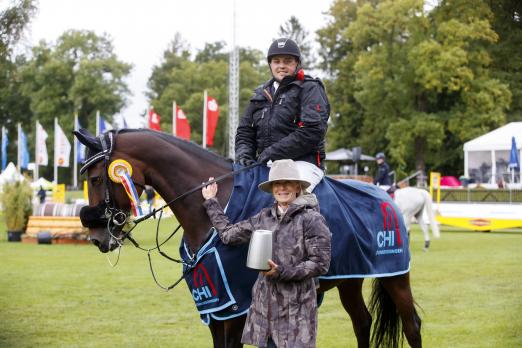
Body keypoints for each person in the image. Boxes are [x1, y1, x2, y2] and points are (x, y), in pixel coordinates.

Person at [202, 159, 331, 348]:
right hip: (265, 313)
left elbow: (320, 263)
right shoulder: (263, 217)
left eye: (287, 183)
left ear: (297, 187)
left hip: (296, 314)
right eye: (277, 184)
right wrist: (212, 202)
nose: (282, 188)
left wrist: (282, 272)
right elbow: (229, 235)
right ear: (272, 189)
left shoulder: (312, 219)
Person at [235, 38, 330, 192]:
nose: (281, 66)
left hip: (302, 163)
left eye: (287, 61)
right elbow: (245, 131)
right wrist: (244, 155)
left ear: (296, 63)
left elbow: (312, 132)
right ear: (270, 64)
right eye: (276, 61)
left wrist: (272, 153)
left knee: (294, 201)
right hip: (267, 163)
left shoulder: (310, 88)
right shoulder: (260, 94)